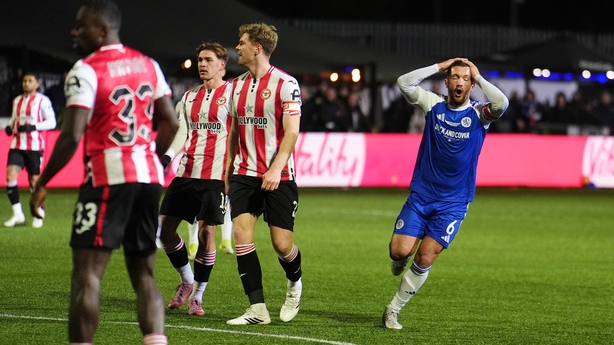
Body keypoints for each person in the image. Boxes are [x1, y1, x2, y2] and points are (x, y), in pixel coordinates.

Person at [29, 1, 178, 344]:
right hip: (148, 177)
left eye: (80, 27)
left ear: (101, 30)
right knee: (144, 274)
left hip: (107, 177)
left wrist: (42, 180)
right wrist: (150, 159)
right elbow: (169, 122)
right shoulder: (148, 63)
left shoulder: (86, 69)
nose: (74, 33)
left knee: (87, 275)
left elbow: (72, 134)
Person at [382, 58, 509, 330]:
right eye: (455, 77)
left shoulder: (478, 114)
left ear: (471, 85)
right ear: (447, 82)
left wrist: (480, 76)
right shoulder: (434, 104)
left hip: (453, 203)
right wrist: (439, 65)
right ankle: (398, 259)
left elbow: (502, 104)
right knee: (397, 252)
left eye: (465, 78)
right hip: (421, 197)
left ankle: (392, 310)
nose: (460, 82)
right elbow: (404, 82)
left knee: (425, 257)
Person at [225, 22, 303, 325]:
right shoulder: (235, 86)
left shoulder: (286, 84)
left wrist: (276, 167)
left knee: (282, 245)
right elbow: (233, 132)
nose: (238, 47)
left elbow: (292, 131)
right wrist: (227, 170)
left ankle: (295, 283)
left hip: (279, 176)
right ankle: (257, 308)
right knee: (241, 235)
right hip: (244, 173)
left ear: (257, 48)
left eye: (242, 43)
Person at [158, 42, 233, 317]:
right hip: (187, 172)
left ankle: (198, 296)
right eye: (200, 59)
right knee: (164, 229)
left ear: (222, 65)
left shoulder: (233, 96)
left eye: (208, 59)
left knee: (207, 233)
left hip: (215, 177)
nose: (202, 64)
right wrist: (167, 157)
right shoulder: (189, 98)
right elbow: (181, 133)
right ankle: (187, 280)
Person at [4, 72, 56, 228]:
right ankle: (18, 214)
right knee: (10, 176)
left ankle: (39, 212)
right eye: (24, 81)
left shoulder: (43, 101)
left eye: (30, 81)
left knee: (34, 182)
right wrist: (9, 126)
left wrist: (34, 127)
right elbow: (15, 118)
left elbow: (52, 122)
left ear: (37, 84)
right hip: (17, 145)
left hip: (34, 147)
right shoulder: (17, 100)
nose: (26, 83)